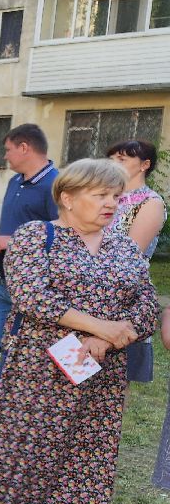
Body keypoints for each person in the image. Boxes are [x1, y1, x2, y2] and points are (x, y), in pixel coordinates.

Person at [0, 158, 160, 504]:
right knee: (27, 449)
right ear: (67, 197)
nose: (111, 204)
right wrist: (98, 325)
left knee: (83, 456)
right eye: (100, 195)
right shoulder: (37, 236)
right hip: (40, 369)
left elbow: (145, 303)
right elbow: (31, 296)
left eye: (116, 197)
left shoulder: (123, 246)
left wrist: (108, 339)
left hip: (100, 374)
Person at [0, 123, 58, 426]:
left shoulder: (56, 185)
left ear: (24, 147)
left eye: (8, 149)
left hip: (32, 286)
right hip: (0, 278)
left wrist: (14, 241)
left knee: (26, 349)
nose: (6, 156)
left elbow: (62, 235)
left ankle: (20, 411)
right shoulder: (14, 182)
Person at [106, 139, 163, 384]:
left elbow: (132, 253)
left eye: (122, 159)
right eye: (112, 159)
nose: (114, 164)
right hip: (88, 287)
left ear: (144, 165)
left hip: (124, 293)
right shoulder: (105, 195)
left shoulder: (150, 202)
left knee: (117, 377)